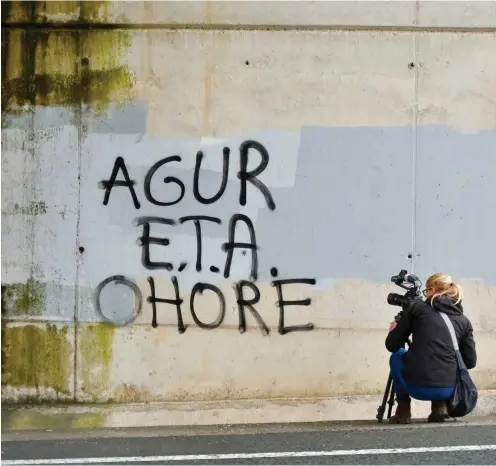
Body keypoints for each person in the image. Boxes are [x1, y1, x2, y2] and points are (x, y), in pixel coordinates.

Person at [385, 272, 477, 424]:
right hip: (449, 391)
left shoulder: (417, 309)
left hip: (417, 388)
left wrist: (394, 331)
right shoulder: (464, 320)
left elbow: (392, 346)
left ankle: (403, 409)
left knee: (397, 356)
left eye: (426, 291)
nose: (425, 295)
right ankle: (440, 407)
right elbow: (470, 362)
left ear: (432, 290)